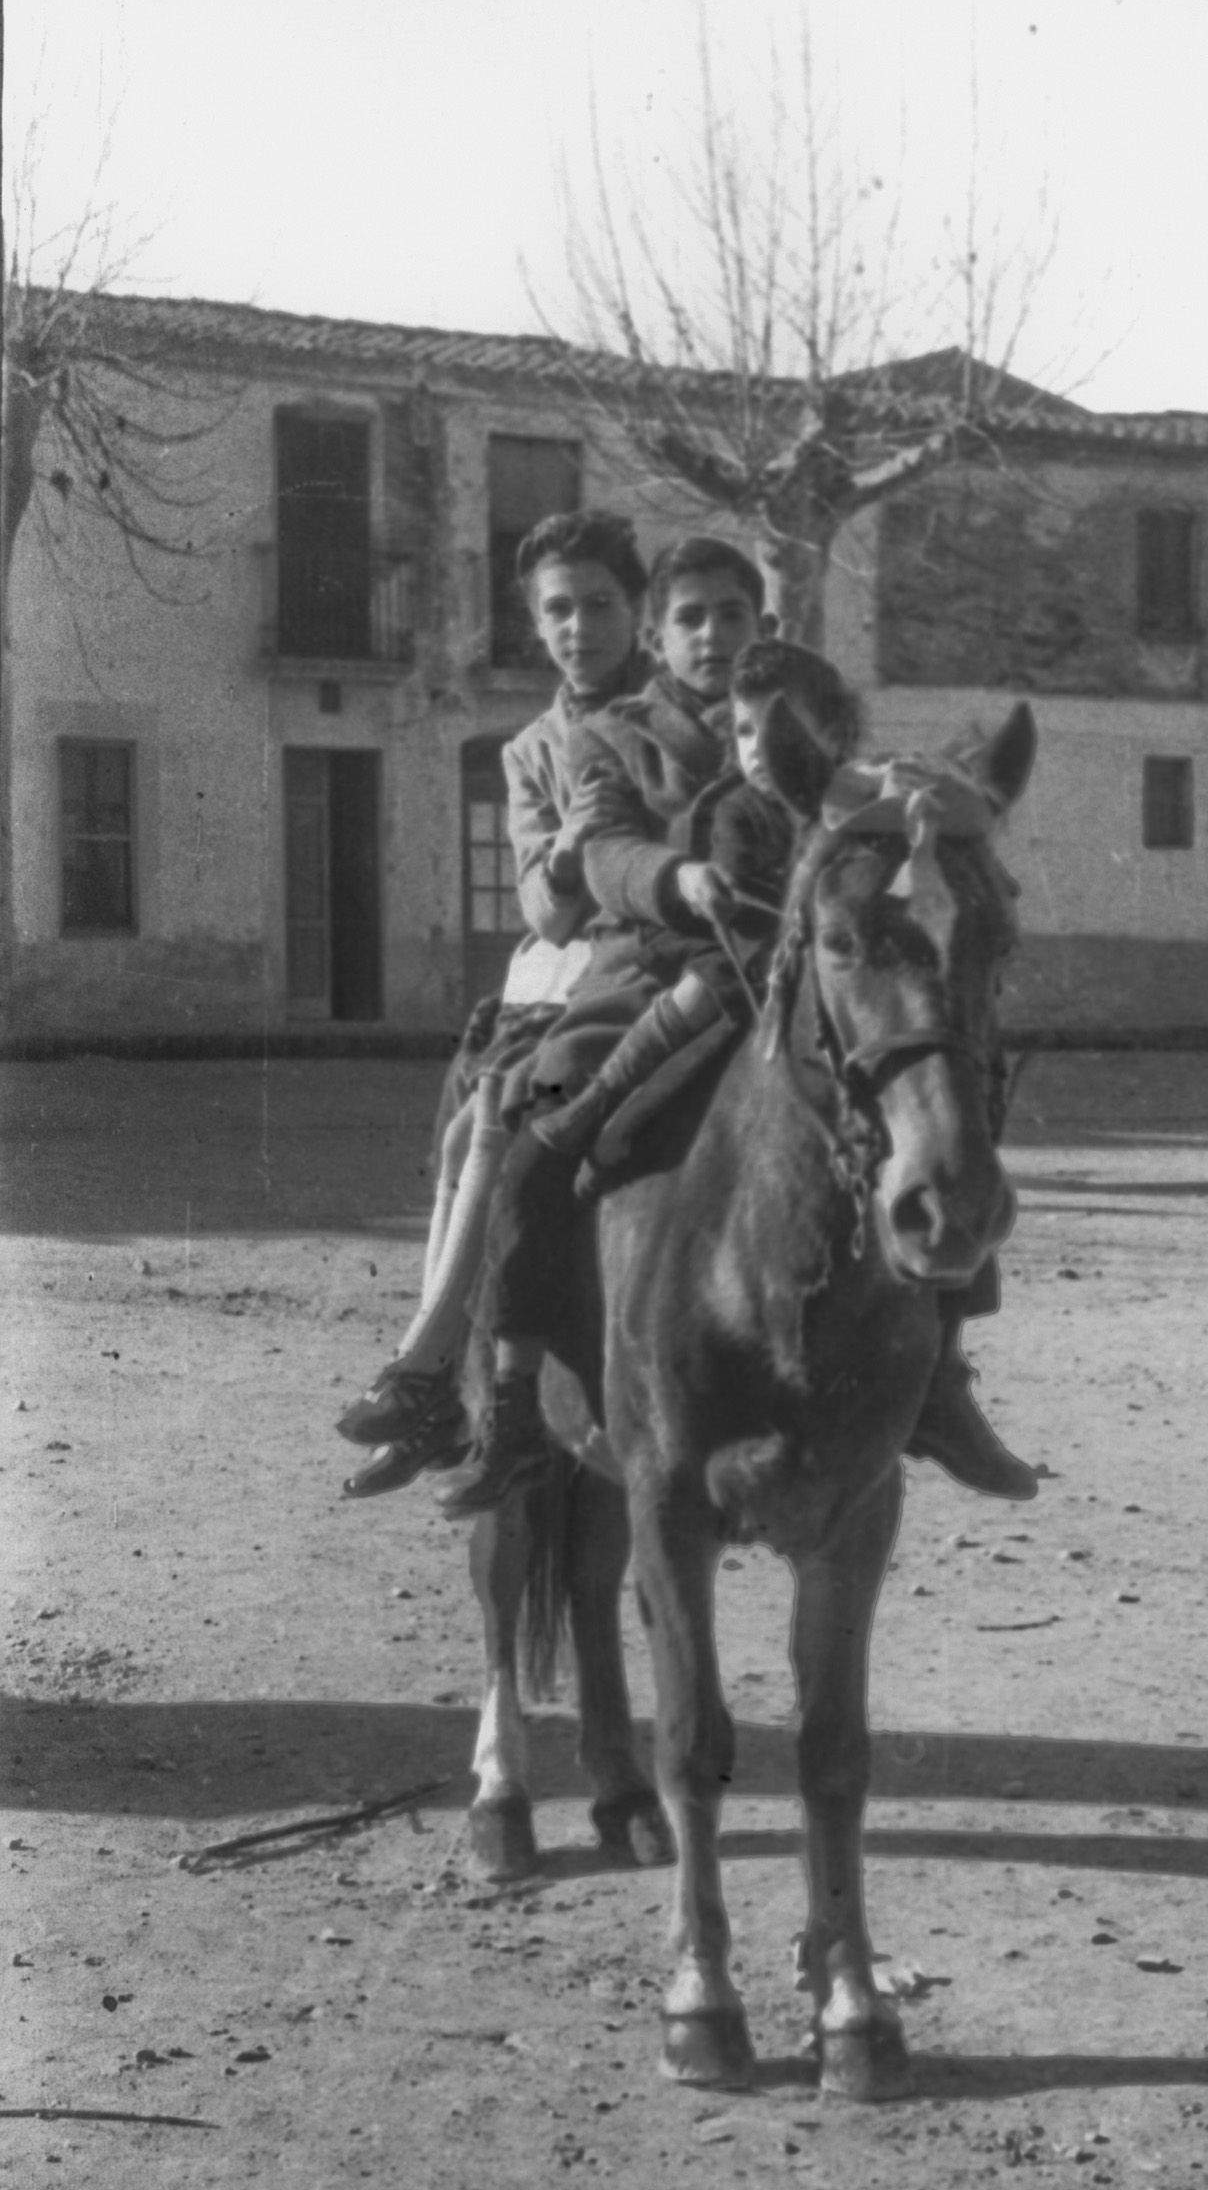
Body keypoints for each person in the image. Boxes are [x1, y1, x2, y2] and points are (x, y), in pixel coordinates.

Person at [436, 636, 1038, 1517]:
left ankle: (943, 1381)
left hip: (806, 1019)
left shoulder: (863, 808)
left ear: (831, 734)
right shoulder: (729, 806)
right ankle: (511, 1402)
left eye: (782, 729)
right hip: (695, 993)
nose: (757, 744)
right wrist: (689, 886)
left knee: (954, 1142)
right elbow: (638, 869)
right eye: (744, 729)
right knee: (552, 1137)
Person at [334, 507, 654, 1494]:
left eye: (597, 603)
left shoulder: (680, 713)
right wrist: (568, 847)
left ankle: (929, 1372)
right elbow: (543, 915)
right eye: (556, 608)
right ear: (534, 621)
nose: (577, 626)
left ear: (637, 608)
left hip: (664, 968)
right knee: (474, 1115)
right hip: (570, 976)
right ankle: (437, 1371)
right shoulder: (531, 751)